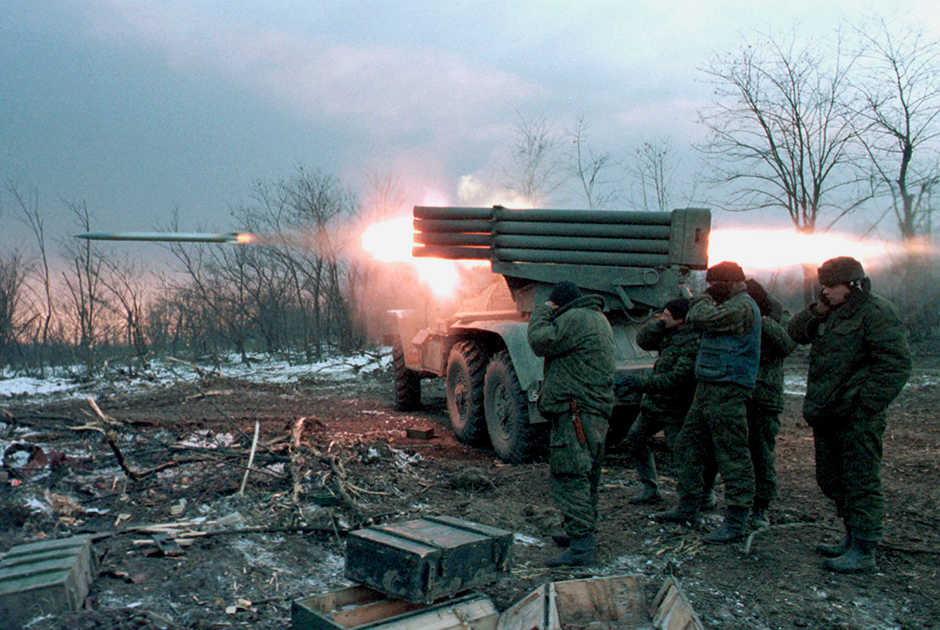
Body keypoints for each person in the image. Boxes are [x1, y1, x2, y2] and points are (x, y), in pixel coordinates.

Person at [787, 256, 911, 573]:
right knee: (830, 479)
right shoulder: (832, 311)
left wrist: (865, 404)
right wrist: (817, 311)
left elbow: (895, 365)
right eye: (823, 286)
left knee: (861, 480)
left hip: (857, 416)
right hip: (827, 412)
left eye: (831, 286)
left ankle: (864, 549)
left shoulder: (877, 313)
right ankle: (852, 537)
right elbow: (794, 333)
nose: (825, 292)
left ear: (852, 286)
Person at [653, 261, 761, 544]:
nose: (711, 289)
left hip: (729, 389)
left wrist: (698, 297)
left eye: (714, 284)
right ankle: (689, 505)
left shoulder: (742, 306)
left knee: (732, 454)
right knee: (687, 445)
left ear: (730, 283)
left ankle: (736, 520)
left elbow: (699, 318)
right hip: (708, 386)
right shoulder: (728, 304)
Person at [528, 280, 616, 567]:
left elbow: (540, 341)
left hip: (576, 414)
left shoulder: (575, 318)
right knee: (586, 476)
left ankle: (580, 550)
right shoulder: (597, 318)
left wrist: (542, 311)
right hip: (592, 412)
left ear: (560, 304)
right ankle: (581, 533)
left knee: (570, 476)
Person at [615, 298, 710, 506]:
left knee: (682, 453)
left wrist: (640, 383)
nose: (663, 318)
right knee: (634, 439)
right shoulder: (669, 334)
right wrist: (661, 322)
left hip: (676, 408)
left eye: (667, 315)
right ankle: (650, 488)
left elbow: (676, 380)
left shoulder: (691, 344)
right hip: (655, 406)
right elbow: (643, 340)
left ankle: (697, 497)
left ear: (681, 319)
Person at [743, 279, 797, 530]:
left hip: (765, 396)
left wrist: (761, 321)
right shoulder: (736, 313)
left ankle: (761, 507)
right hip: (736, 393)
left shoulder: (778, 319)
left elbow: (786, 344)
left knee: (761, 453)